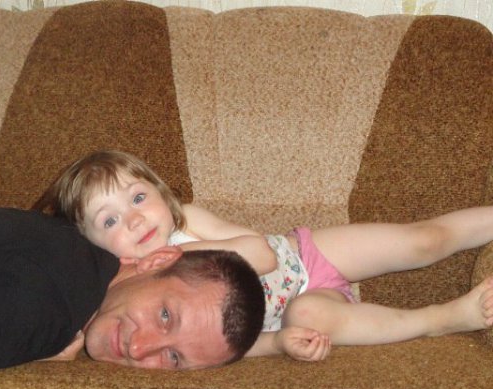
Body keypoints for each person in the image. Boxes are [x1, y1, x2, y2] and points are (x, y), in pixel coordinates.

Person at [36, 150, 493, 362]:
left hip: (305, 257)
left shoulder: (188, 220)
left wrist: (177, 254)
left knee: (421, 241)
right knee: (310, 316)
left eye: (138, 198)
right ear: (92, 244)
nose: (134, 220)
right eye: (109, 221)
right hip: (291, 312)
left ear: (160, 192)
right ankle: (440, 319)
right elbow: (215, 348)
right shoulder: (121, 296)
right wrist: (277, 344)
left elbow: (261, 254)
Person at [0, 205, 265, 380]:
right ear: (157, 261)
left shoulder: (75, 257)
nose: (139, 348)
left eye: (173, 358)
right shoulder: (45, 302)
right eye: (165, 315)